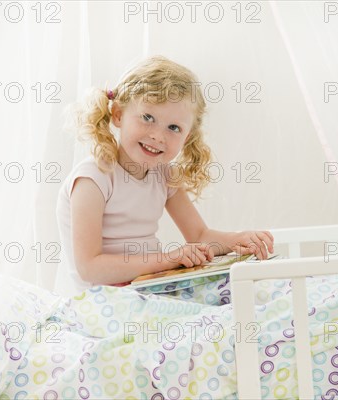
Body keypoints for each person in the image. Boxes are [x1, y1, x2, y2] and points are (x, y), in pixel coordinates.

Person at [54, 55, 274, 296]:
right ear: (118, 114)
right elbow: (90, 268)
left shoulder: (163, 175)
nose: (158, 136)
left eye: (173, 128)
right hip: (103, 300)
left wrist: (236, 240)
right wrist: (168, 259)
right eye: (148, 118)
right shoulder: (93, 179)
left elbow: (199, 235)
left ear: (187, 137)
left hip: (149, 288)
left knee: (246, 294)